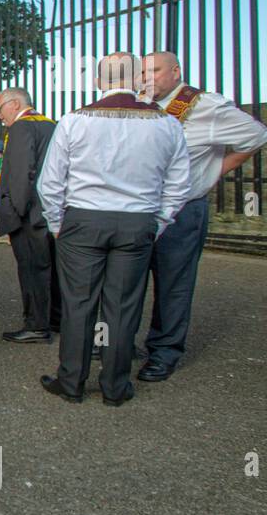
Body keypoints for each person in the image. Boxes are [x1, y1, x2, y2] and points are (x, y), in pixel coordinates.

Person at [37, 52, 190, 406]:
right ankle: (116, 386)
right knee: (124, 305)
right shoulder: (166, 123)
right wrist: (160, 221)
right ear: (138, 80)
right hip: (137, 222)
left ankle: (72, 381)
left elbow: (51, 182)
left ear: (97, 82)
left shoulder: (75, 121)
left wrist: (57, 223)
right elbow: (180, 183)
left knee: (78, 303)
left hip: (83, 220)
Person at [137, 52, 267, 382]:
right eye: (142, 72)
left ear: (175, 71)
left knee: (173, 284)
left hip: (183, 211)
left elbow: (257, 135)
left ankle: (164, 351)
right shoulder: (143, 106)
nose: (147, 78)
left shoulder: (203, 105)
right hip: (141, 208)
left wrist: (215, 171)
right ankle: (123, 343)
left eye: (154, 70)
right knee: (130, 279)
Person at [0, 88, 60, 344]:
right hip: (48, 209)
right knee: (51, 268)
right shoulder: (50, 125)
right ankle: (55, 317)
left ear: (15, 104)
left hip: (29, 213)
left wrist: (15, 214)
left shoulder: (22, 128)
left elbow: (21, 173)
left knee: (31, 269)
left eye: (0, 108)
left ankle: (36, 324)